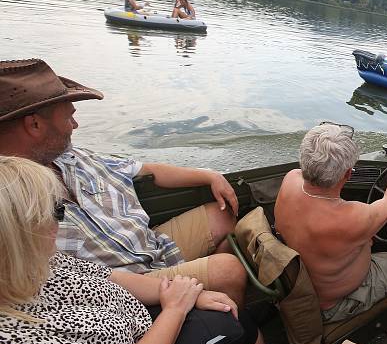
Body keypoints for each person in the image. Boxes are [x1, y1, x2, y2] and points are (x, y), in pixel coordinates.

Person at [0, 157, 319, 344]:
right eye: (54, 212)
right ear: (17, 236)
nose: (60, 221)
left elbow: (108, 276)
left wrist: (191, 296)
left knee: (237, 320)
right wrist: (175, 311)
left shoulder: (40, 263)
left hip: (140, 329)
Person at [0, 59, 247, 306]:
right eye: (68, 118)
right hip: (122, 287)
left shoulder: (69, 157)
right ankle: (216, 319)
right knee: (228, 270)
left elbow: (144, 170)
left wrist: (210, 176)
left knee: (223, 213)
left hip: (150, 248)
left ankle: (202, 301)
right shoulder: (11, 200)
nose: (75, 125)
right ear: (34, 124)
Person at [274, 123, 387, 323]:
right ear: (348, 174)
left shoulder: (290, 180)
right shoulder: (352, 218)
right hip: (335, 304)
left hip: (304, 285)